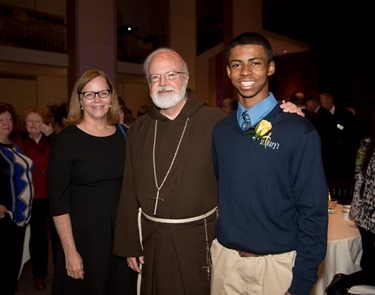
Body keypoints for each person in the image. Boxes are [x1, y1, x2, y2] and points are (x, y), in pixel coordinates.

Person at [113, 47, 304, 295]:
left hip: (198, 240)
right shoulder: (139, 128)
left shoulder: (217, 121)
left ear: (186, 78)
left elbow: (257, 151)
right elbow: (128, 186)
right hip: (151, 240)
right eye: (155, 77)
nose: (163, 83)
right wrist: (130, 244)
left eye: (171, 74)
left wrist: (285, 116)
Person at [210, 32, 328, 295]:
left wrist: (300, 285)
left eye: (256, 62)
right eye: (237, 64)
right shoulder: (221, 131)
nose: (245, 71)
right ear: (228, 72)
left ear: (271, 67)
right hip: (225, 264)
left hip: (277, 269)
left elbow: (313, 214)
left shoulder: (299, 132)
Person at [48, 69, 137, 295]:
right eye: (89, 94)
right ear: (80, 100)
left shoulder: (124, 135)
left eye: (103, 93)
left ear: (111, 97)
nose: (97, 100)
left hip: (119, 239)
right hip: (84, 239)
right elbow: (58, 203)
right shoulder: (67, 140)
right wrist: (70, 251)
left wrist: (134, 242)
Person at [325, 112, 375, 295]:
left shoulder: (366, 143)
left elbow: (358, 178)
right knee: (369, 266)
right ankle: (343, 281)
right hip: (369, 217)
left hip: (364, 216)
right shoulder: (366, 144)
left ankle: (342, 281)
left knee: (368, 265)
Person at [15, 106, 56, 290]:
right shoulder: (20, 143)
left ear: (44, 124)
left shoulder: (51, 141)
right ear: (25, 124)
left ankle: (62, 272)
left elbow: (64, 155)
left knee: (58, 237)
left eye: (37, 121)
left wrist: (52, 135)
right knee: (38, 239)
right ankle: (39, 274)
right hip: (34, 196)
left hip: (54, 195)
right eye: (30, 121)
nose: (33, 124)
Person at [0, 102, 34, 295]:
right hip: (4, 219)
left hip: (20, 219)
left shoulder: (14, 146)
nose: (6, 123)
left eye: (9, 119)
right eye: (1, 120)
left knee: (12, 267)